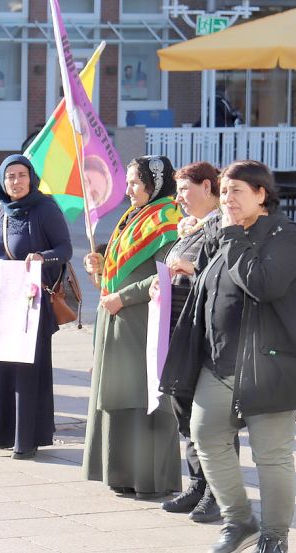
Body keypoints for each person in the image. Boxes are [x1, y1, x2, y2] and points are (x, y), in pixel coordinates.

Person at [161, 161, 296, 553]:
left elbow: (263, 284)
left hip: (270, 365)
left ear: (261, 194)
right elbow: (208, 283)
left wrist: (234, 236)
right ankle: (240, 521)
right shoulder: (220, 234)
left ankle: (274, 536)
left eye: (236, 191)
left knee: (271, 456)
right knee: (205, 434)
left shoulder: (286, 237)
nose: (227, 199)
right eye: (223, 192)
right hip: (218, 363)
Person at [0, 155, 72, 458]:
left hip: (31, 305)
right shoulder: (4, 211)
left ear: (31, 178)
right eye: (10, 176)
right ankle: (2, 435)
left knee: (25, 373)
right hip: (0, 304)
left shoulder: (45, 208)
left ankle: (27, 439)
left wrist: (43, 256)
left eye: (21, 175)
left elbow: (65, 248)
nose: (15, 182)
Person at [81, 155, 182, 499]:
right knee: (118, 396)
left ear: (155, 184)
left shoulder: (169, 219)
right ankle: (121, 472)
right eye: (128, 182)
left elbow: (166, 274)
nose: (128, 190)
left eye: (135, 183)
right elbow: (119, 266)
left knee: (144, 398)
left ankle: (151, 478)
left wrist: (124, 297)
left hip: (143, 319)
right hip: (117, 317)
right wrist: (99, 265)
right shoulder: (134, 215)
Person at [153, 161, 237, 523]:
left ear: (207, 187)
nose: (179, 199)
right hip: (179, 327)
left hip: (207, 333)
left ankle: (220, 494)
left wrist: (194, 270)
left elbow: (230, 276)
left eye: (185, 190)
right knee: (184, 409)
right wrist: (162, 283)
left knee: (212, 416)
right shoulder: (191, 228)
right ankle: (198, 485)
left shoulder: (223, 224)